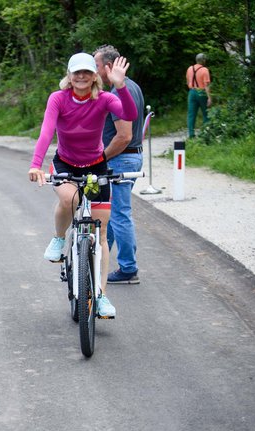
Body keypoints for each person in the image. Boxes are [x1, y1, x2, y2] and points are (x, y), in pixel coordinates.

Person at [28, 52, 138, 318]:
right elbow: (47, 131)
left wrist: (121, 86)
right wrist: (36, 163)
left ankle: (100, 297)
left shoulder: (104, 99)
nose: (81, 76)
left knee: (100, 236)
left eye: (87, 72)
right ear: (69, 75)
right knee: (69, 199)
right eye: (76, 72)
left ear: (94, 76)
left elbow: (130, 114)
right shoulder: (58, 98)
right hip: (66, 162)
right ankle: (58, 238)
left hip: (96, 164)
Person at [93, 45, 145, 285]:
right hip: (130, 155)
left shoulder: (117, 92)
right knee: (111, 214)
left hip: (121, 158)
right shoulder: (130, 86)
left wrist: (99, 158)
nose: (94, 71)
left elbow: (123, 136)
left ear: (109, 66)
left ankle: (128, 268)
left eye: (96, 66)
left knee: (119, 213)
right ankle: (99, 259)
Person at [186, 53, 212, 138]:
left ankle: (191, 135)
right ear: (203, 60)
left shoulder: (190, 68)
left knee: (191, 114)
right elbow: (206, 85)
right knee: (206, 113)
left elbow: (187, 81)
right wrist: (209, 98)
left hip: (192, 92)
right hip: (201, 92)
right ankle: (206, 133)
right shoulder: (205, 70)